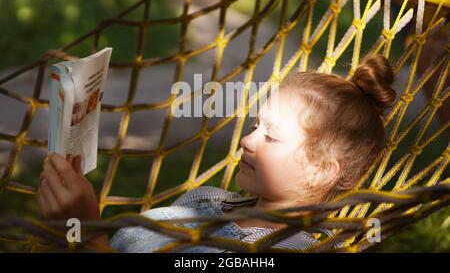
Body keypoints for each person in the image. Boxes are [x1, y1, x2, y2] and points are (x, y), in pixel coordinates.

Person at [37, 54, 396, 252]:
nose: (247, 140)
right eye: (256, 125)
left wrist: (87, 234)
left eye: (271, 137)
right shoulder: (205, 199)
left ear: (321, 170)